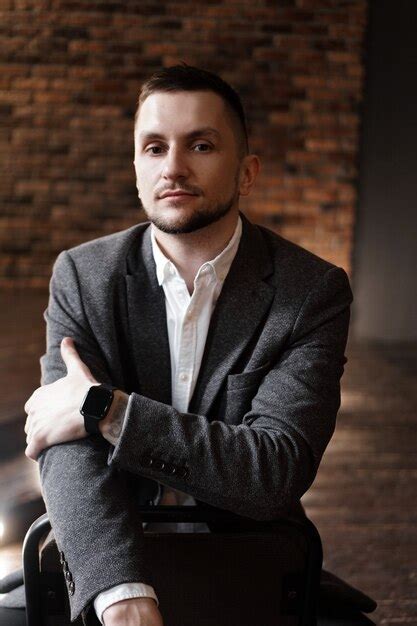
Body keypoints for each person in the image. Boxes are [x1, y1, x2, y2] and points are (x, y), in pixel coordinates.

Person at [1, 64, 356, 626]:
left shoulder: (310, 291)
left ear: (245, 174)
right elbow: (66, 455)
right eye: (154, 147)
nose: (174, 167)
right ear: (137, 168)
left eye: (201, 144)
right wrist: (121, 592)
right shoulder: (83, 275)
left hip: (247, 565)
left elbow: (273, 473)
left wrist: (106, 410)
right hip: (110, 558)